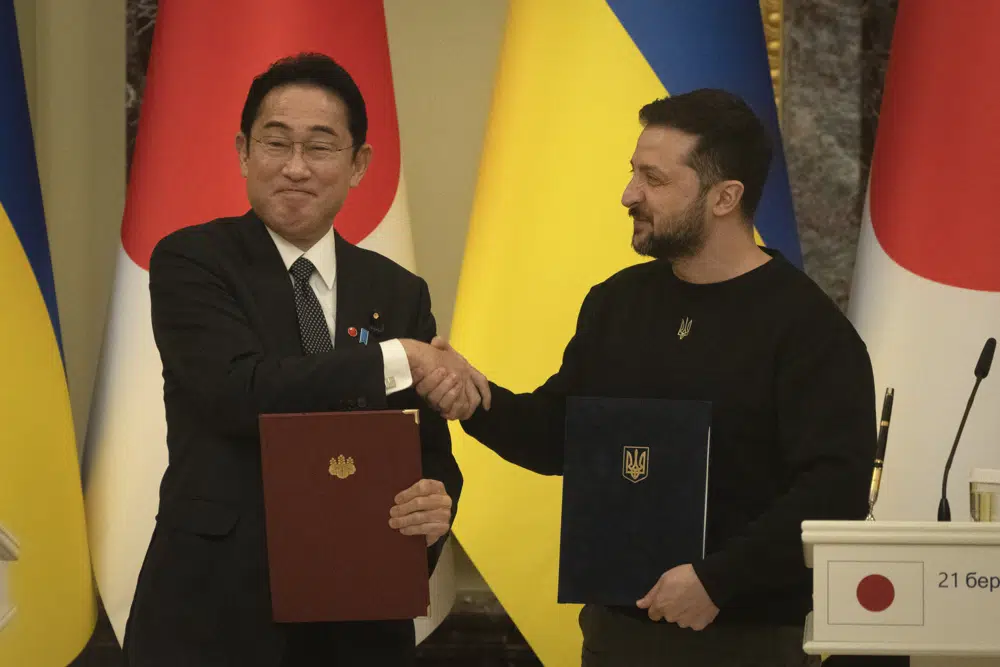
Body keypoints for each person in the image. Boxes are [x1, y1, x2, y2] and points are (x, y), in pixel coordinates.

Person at [419, 89, 877, 666]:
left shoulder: (810, 330)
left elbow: (833, 493)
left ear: (724, 197)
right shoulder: (616, 304)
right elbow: (562, 435)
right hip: (618, 632)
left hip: (746, 638)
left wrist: (718, 581)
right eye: (633, 173)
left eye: (654, 180)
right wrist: (473, 398)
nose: (628, 195)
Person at [122, 53, 487, 667]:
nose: (294, 168)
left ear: (358, 165)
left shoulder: (398, 292)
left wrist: (435, 504)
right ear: (243, 151)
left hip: (360, 616)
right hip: (214, 615)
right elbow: (238, 391)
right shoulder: (193, 261)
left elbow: (425, 452)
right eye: (275, 143)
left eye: (320, 147)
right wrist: (400, 359)